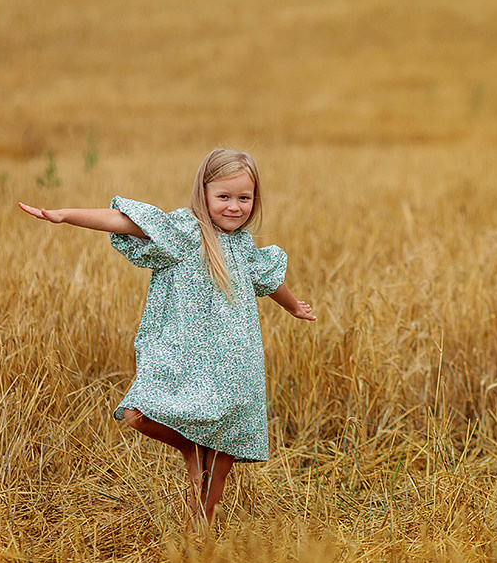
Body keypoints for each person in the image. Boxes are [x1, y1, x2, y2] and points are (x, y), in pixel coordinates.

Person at [18, 147, 316, 528]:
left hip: (236, 361)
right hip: (183, 354)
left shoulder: (243, 246)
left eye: (244, 198)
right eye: (224, 196)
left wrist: (293, 307)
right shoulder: (184, 232)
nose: (234, 207)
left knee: (220, 459)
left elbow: (269, 280)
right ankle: (189, 446)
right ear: (203, 193)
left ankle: (201, 534)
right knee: (136, 414)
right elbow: (124, 220)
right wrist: (65, 216)